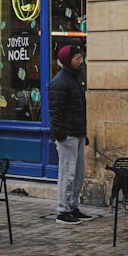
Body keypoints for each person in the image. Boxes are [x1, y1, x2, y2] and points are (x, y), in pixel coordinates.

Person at [49, 44, 91, 224]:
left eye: (81, 58)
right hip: (67, 135)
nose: (81, 61)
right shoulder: (60, 82)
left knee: (79, 172)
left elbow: (79, 108)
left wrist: (83, 132)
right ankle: (62, 210)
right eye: (77, 58)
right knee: (67, 173)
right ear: (68, 60)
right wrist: (60, 134)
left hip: (78, 132)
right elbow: (55, 111)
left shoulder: (76, 78)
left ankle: (73, 206)